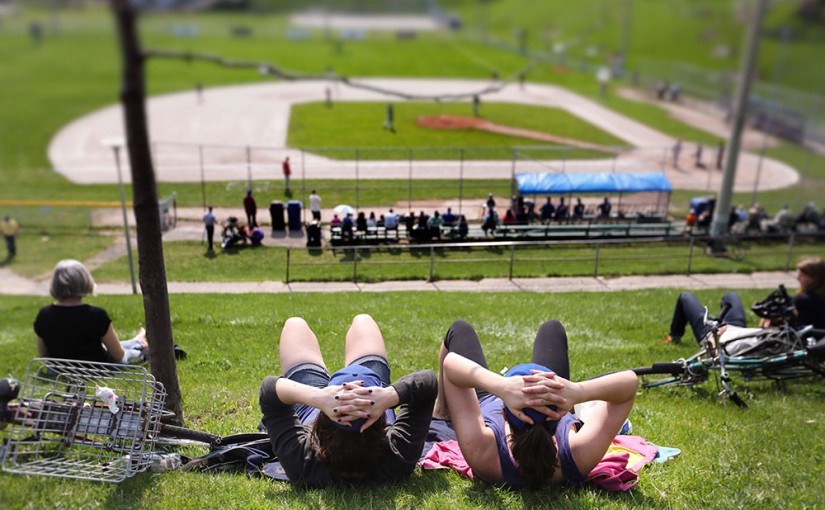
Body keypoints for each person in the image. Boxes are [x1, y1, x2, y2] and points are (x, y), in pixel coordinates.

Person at [433, 320, 638, 489]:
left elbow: (451, 364)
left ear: (504, 413)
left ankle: (441, 411)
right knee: (552, 328)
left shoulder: (485, 454)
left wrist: (501, 386)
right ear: (560, 416)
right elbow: (629, 383)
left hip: (489, 397)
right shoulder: (576, 454)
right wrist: (577, 392)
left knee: (458, 329)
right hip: (554, 400)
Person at [258, 314, 437, 487]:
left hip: (312, 404)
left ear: (324, 421)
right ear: (378, 417)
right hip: (353, 399)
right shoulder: (395, 457)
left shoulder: (305, 463)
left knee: (295, 324)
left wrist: (318, 397)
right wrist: (388, 395)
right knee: (363, 321)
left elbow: (269, 389)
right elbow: (427, 381)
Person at [663, 257, 825, 347]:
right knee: (730, 295)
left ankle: (673, 336)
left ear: (815, 278)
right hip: (740, 333)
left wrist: (768, 321)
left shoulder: (803, 302)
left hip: (721, 338)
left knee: (685, 296)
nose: (797, 278)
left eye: (802, 275)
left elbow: (774, 325)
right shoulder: (813, 304)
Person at [33, 260, 148, 364]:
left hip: (59, 369)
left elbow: (44, 354)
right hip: (96, 367)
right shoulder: (96, 315)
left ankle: (137, 341)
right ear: (85, 281)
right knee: (125, 354)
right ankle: (142, 349)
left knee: (112, 346)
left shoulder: (44, 314)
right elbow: (118, 354)